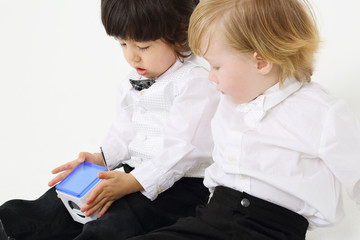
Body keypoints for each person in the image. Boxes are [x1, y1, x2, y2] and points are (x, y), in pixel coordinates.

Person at [129, 0, 360, 239]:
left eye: (217, 66)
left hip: (270, 228)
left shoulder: (321, 112)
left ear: (260, 62)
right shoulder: (229, 104)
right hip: (213, 217)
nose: (210, 76)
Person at [0, 0, 219, 239]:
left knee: (112, 222)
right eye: (123, 43)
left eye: (143, 47)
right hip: (130, 174)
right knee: (61, 200)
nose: (131, 56)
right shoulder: (130, 81)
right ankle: (11, 225)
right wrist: (100, 159)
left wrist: (133, 181)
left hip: (177, 189)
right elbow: (123, 133)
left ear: (180, 36)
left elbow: (180, 152)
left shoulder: (195, 82)